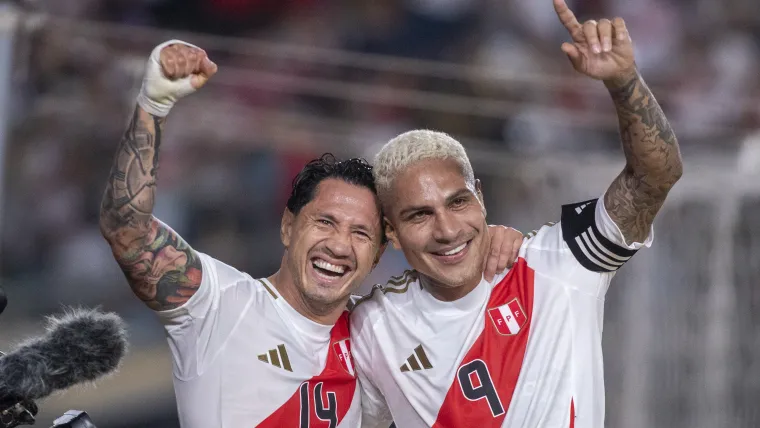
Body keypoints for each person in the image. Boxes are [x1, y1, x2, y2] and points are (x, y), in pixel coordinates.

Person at [98, 40, 524, 427]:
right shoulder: (220, 305)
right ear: (288, 225)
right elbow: (127, 232)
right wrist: (153, 105)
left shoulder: (378, 337)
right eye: (325, 222)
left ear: (377, 255)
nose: (339, 245)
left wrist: (494, 240)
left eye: (361, 233)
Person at [350, 1, 684, 427]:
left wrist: (623, 81)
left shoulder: (557, 263)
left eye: (458, 202)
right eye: (419, 216)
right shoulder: (371, 327)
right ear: (391, 233)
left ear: (481, 199)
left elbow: (655, 177)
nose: (448, 230)